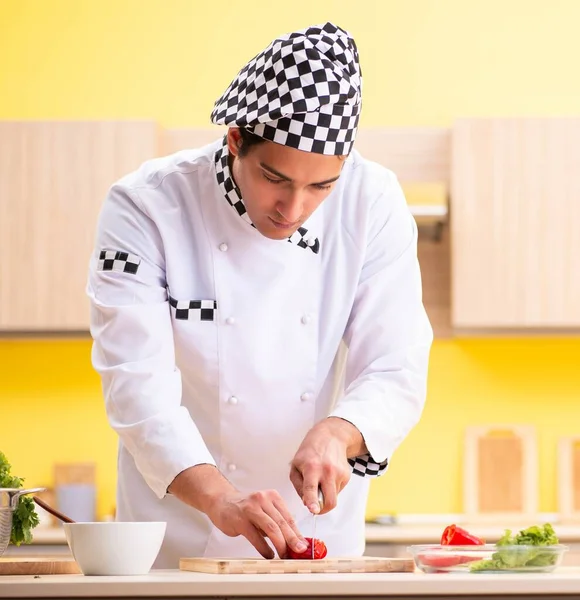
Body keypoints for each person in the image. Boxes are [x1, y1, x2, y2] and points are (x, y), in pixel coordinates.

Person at [87, 22, 433, 568]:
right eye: (275, 178)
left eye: (321, 186)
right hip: (179, 532)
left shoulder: (374, 200)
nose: (293, 211)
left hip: (315, 533)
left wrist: (338, 433)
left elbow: (396, 364)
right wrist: (218, 498)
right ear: (234, 141)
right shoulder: (146, 207)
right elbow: (135, 384)